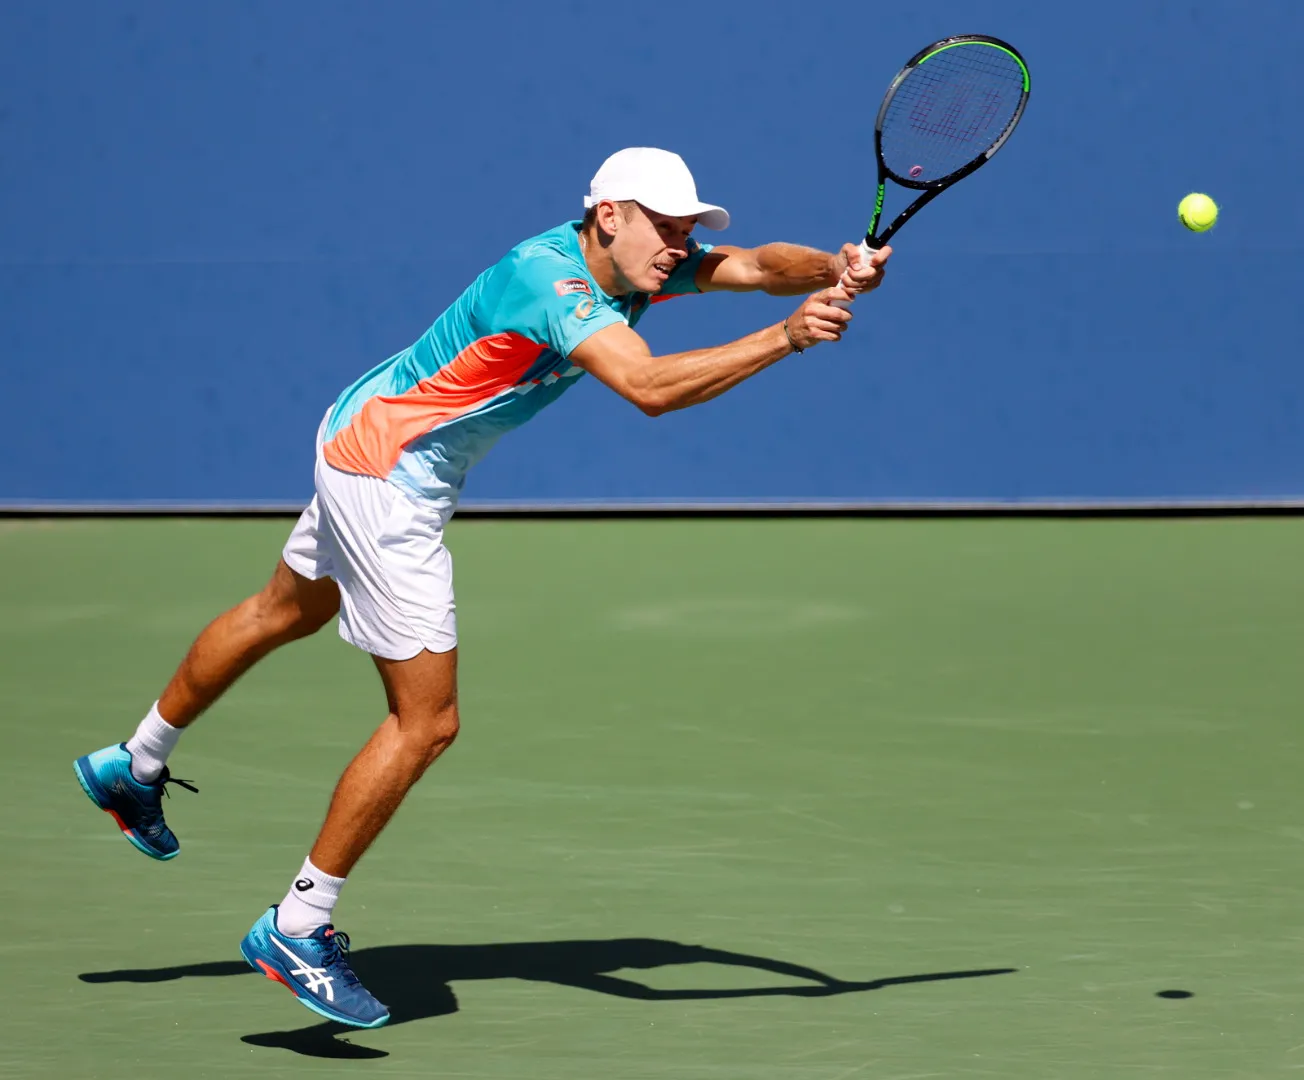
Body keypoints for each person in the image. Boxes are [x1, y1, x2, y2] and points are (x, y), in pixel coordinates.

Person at [72, 146, 891, 1029]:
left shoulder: (636, 262)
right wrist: (785, 337)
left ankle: (132, 764)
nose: (678, 243)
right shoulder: (551, 284)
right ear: (608, 215)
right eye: (665, 225)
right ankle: (297, 926)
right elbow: (649, 387)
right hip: (390, 477)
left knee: (286, 610)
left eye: (686, 227)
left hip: (360, 428)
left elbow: (760, 265)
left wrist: (834, 266)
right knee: (425, 722)